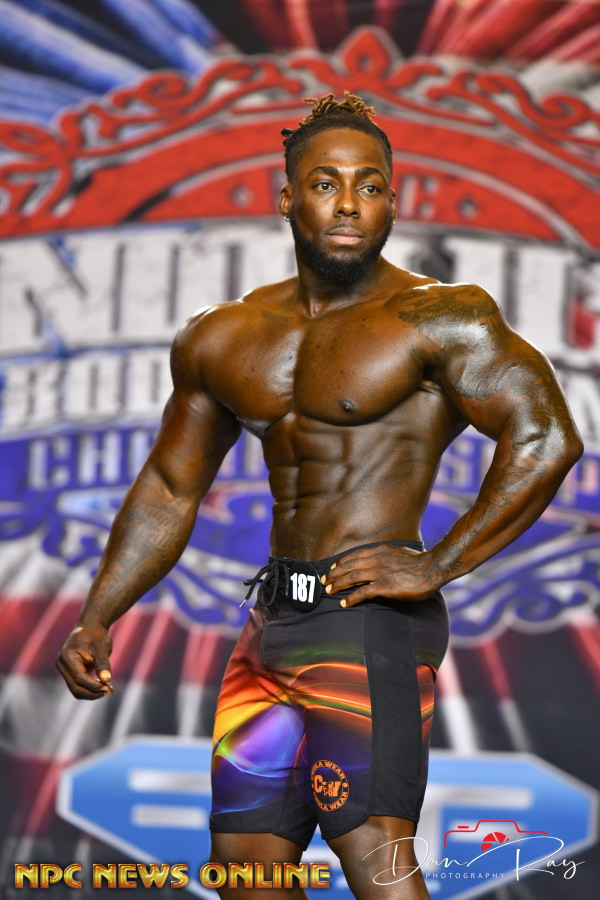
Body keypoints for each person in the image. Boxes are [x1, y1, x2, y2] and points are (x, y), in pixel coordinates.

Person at [56, 93, 583, 899]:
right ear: (288, 198)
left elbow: (546, 437)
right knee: (246, 870)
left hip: (369, 623)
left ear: (392, 203)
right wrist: (98, 614)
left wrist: (438, 563)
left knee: (375, 856)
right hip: (271, 624)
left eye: (369, 187)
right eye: (327, 184)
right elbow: (169, 485)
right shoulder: (222, 334)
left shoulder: (441, 317)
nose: (348, 204)